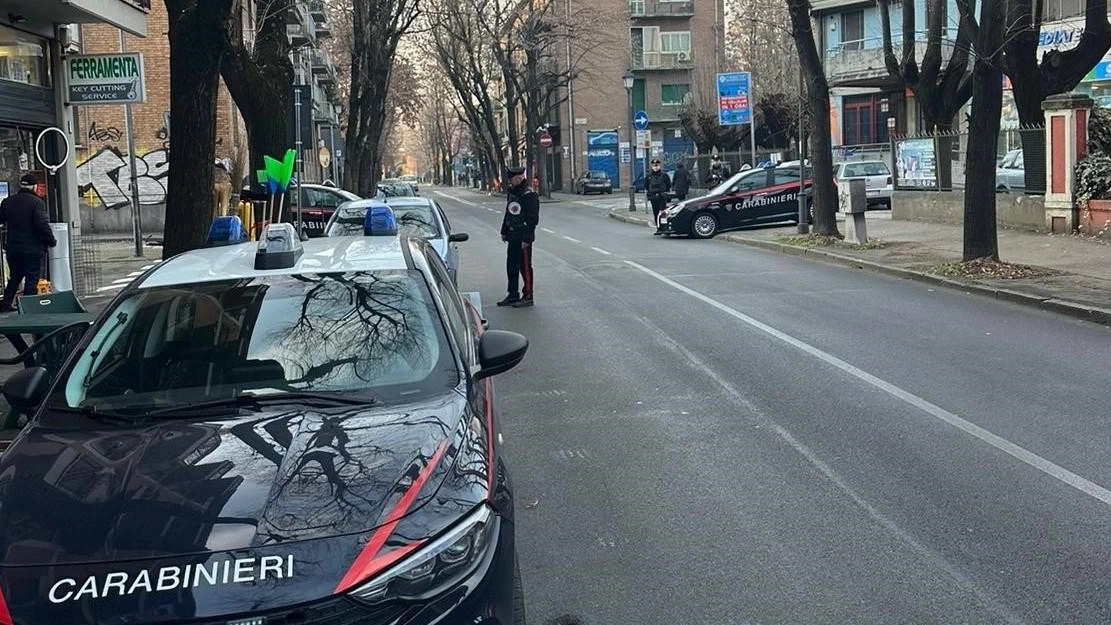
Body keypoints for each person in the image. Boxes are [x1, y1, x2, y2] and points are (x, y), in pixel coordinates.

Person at [0, 174, 56, 313]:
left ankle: (6, 305)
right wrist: (51, 240)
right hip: (32, 249)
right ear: (34, 186)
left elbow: (1, 221)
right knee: (32, 279)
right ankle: (27, 309)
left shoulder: (7, 202)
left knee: (15, 277)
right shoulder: (36, 203)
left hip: (13, 248)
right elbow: (41, 224)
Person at [497, 165, 540, 308]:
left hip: (523, 237)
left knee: (525, 267)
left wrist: (527, 239)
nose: (510, 182)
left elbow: (532, 219)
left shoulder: (529, 194)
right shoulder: (513, 192)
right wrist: (504, 230)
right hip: (512, 235)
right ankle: (513, 294)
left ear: (519, 177)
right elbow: (509, 212)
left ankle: (528, 295)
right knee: (511, 266)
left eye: (512, 179)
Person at [645, 158, 672, 226]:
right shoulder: (649, 176)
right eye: (654, 166)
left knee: (662, 212)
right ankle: (658, 226)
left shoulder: (664, 175)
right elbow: (646, 185)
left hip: (662, 196)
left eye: (657, 166)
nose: (655, 167)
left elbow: (668, 184)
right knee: (655, 212)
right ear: (652, 166)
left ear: (659, 166)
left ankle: (663, 226)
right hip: (653, 197)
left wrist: (666, 194)